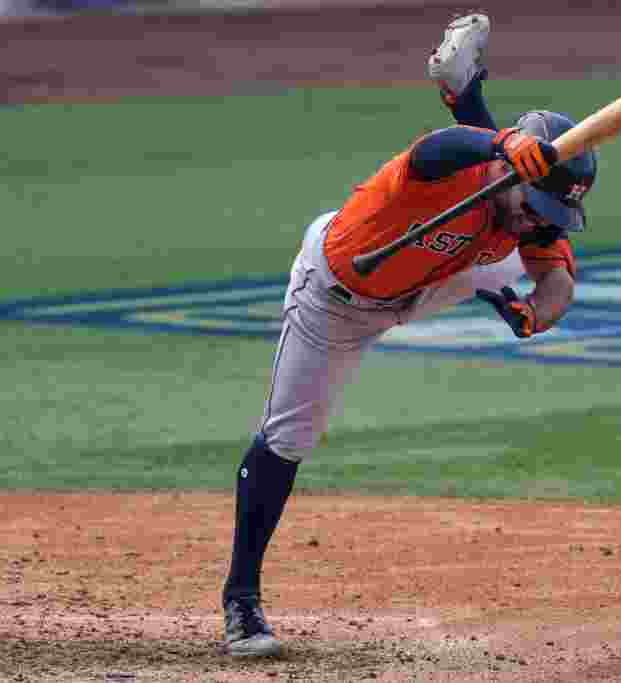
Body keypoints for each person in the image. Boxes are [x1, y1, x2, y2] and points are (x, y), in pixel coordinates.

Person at [220, 13, 599, 657]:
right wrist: (501, 142)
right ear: (515, 173)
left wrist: (538, 313)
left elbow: (558, 283)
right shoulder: (449, 174)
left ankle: (465, 88)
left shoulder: (524, 213)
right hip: (338, 296)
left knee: (510, 267)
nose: (543, 225)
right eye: (540, 208)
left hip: (435, 278)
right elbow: (434, 150)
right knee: (288, 438)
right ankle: (241, 602)